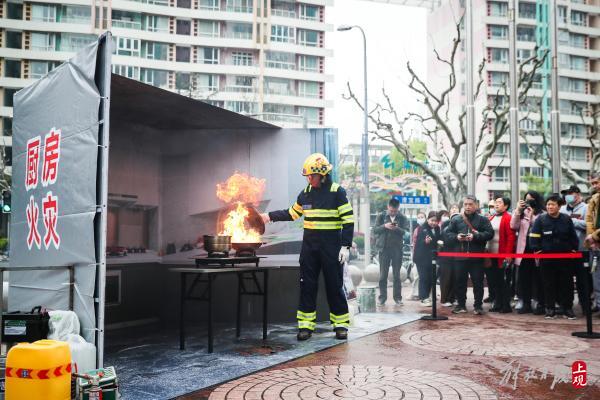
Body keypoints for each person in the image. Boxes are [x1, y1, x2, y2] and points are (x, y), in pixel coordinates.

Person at [261, 153, 354, 340]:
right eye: (307, 177)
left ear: (323, 174)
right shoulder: (305, 193)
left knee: (334, 286)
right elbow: (292, 213)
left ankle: (341, 325)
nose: (309, 179)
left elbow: (348, 220)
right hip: (310, 249)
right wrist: (268, 216)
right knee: (307, 286)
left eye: (312, 176)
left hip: (331, 248)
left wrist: (345, 247)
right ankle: (305, 327)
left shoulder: (338, 192)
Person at [530, 194, 579, 319]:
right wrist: (538, 250)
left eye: (552, 204)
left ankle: (567, 308)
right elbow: (534, 238)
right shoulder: (540, 220)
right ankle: (550, 308)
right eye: (548, 204)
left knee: (566, 284)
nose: (550, 207)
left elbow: (573, 237)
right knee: (548, 284)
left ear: (559, 206)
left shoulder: (566, 219)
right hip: (547, 260)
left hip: (565, 259)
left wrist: (573, 250)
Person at [444, 195, 494, 315]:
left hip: (476, 257)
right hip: (460, 256)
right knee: (460, 281)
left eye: (470, 204)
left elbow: (490, 233)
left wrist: (475, 236)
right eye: (465, 204)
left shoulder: (483, 219)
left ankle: (478, 306)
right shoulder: (456, 219)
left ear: (476, 205)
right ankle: (461, 305)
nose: (467, 207)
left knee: (478, 282)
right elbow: (447, 234)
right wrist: (457, 237)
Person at [511, 191, 546, 315]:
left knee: (538, 278)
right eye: (527, 200)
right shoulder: (522, 213)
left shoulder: (543, 214)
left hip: (537, 250)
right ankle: (526, 304)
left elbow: (539, 228)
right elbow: (513, 226)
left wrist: (531, 217)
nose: (529, 202)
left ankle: (540, 304)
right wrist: (518, 210)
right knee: (524, 278)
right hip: (524, 250)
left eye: (532, 200)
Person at [373, 198, 409, 306]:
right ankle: (382, 298)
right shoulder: (381, 216)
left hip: (397, 249)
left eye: (395, 211)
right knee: (383, 275)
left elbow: (406, 233)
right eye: (391, 210)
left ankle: (397, 298)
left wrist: (396, 229)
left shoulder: (402, 217)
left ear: (398, 208)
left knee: (396, 275)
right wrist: (385, 226)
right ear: (388, 207)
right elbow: (375, 230)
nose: (393, 212)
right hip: (383, 248)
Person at [560, 185, 590, 314]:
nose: (568, 196)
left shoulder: (587, 208)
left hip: (582, 250)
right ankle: (567, 306)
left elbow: (588, 225)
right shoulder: (561, 209)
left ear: (577, 194)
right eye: (566, 193)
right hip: (566, 251)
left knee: (583, 281)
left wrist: (571, 221)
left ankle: (585, 306)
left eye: (570, 193)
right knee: (566, 281)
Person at [487, 197, 516, 313]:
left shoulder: (508, 217)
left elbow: (511, 237)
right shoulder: (492, 217)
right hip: (491, 254)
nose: (496, 204)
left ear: (506, 206)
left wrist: (508, 255)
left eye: (499, 203)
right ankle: (497, 303)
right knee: (495, 281)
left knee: (504, 281)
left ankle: (506, 305)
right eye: (496, 202)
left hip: (503, 255)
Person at [413, 211, 441, 306]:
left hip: (431, 258)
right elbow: (419, 242)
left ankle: (427, 296)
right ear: (428, 219)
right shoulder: (422, 228)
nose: (433, 223)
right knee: (424, 277)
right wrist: (425, 241)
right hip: (421, 258)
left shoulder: (437, 229)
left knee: (431, 278)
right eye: (432, 220)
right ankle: (423, 298)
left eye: (436, 221)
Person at [585, 173, 600, 312]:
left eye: (597, 182)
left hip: (596, 239)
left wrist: (594, 236)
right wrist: (591, 236)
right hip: (595, 245)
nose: (594, 186)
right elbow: (588, 219)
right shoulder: (593, 199)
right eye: (593, 183)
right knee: (596, 277)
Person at [438, 209, 457, 307]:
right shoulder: (445, 225)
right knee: (446, 278)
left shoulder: (460, 225)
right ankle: (444, 299)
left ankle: (452, 298)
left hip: (457, 255)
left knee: (454, 278)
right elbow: (444, 239)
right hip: (446, 255)